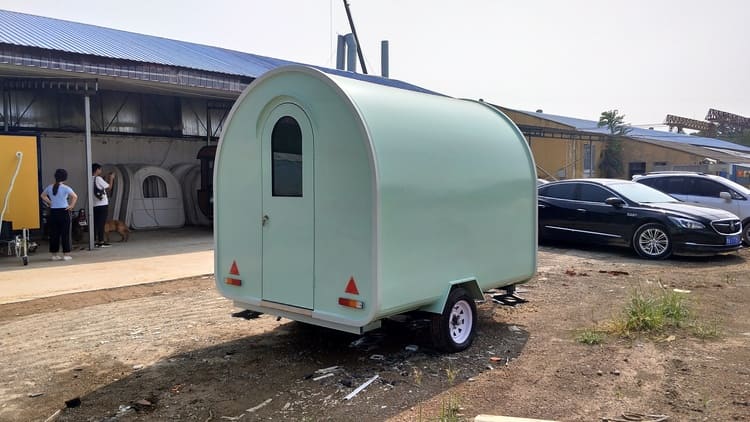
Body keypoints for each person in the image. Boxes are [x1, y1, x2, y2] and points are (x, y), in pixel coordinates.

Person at [40, 168, 78, 261]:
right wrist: (71, 206)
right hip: (64, 212)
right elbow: (75, 196)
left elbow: (42, 195)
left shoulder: (49, 187)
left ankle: (54, 255)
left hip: (53, 212)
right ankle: (66, 254)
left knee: (54, 234)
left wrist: (50, 202)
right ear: (65, 178)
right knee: (65, 233)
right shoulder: (66, 188)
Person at [92, 163, 115, 248]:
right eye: (100, 169)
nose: (101, 171)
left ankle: (93, 240)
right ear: (97, 170)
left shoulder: (90, 178)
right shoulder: (98, 178)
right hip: (102, 204)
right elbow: (109, 187)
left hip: (94, 205)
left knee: (95, 223)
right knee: (101, 223)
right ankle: (101, 241)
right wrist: (111, 178)